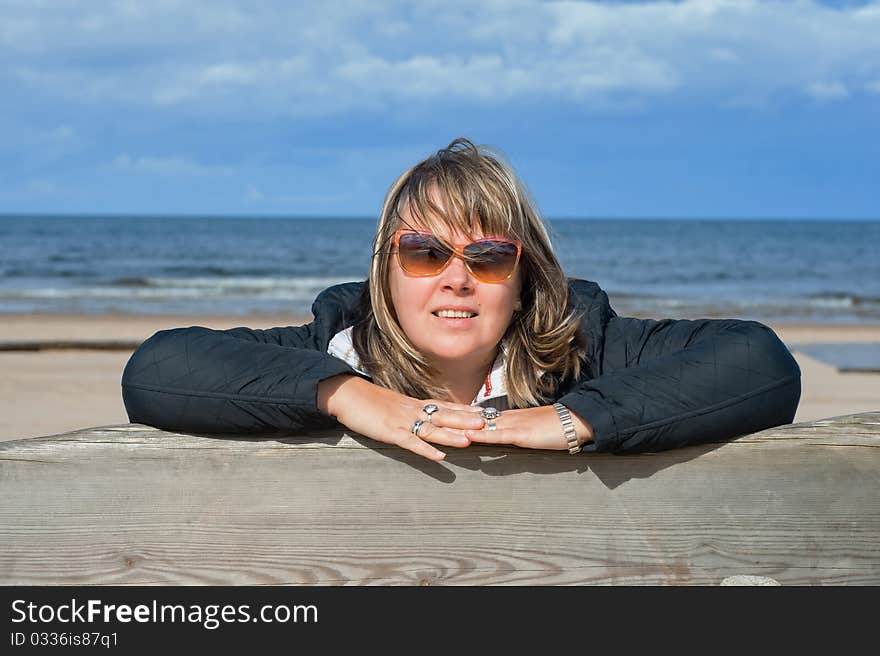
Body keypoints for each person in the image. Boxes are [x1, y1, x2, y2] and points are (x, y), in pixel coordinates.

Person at [121, 137, 802, 462]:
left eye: (488, 257)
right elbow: (156, 370)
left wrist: (574, 417)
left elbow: (762, 362)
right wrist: (352, 397)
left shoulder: (591, 348)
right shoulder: (333, 349)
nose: (456, 278)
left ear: (525, 275)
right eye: (424, 252)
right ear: (386, 269)